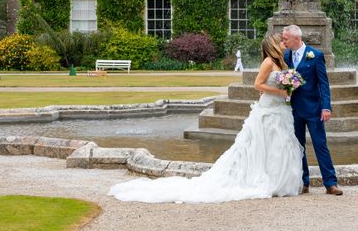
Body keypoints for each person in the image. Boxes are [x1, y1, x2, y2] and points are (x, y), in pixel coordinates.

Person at [108, 33, 303, 203]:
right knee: (261, 144)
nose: (284, 44)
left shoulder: (281, 63)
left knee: (278, 144)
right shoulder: (268, 62)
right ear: (274, 45)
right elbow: (258, 85)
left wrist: (287, 88)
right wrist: (278, 92)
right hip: (268, 109)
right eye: (282, 42)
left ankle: (278, 180)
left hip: (279, 110)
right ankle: (262, 179)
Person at [281, 24, 342, 195]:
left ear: (296, 38)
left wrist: (326, 107)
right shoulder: (286, 55)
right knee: (298, 147)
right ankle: (303, 182)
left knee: (320, 145)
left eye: (286, 38)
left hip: (314, 109)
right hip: (293, 110)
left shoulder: (315, 55)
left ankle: (331, 183)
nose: (283, 41)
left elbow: (324, 84)